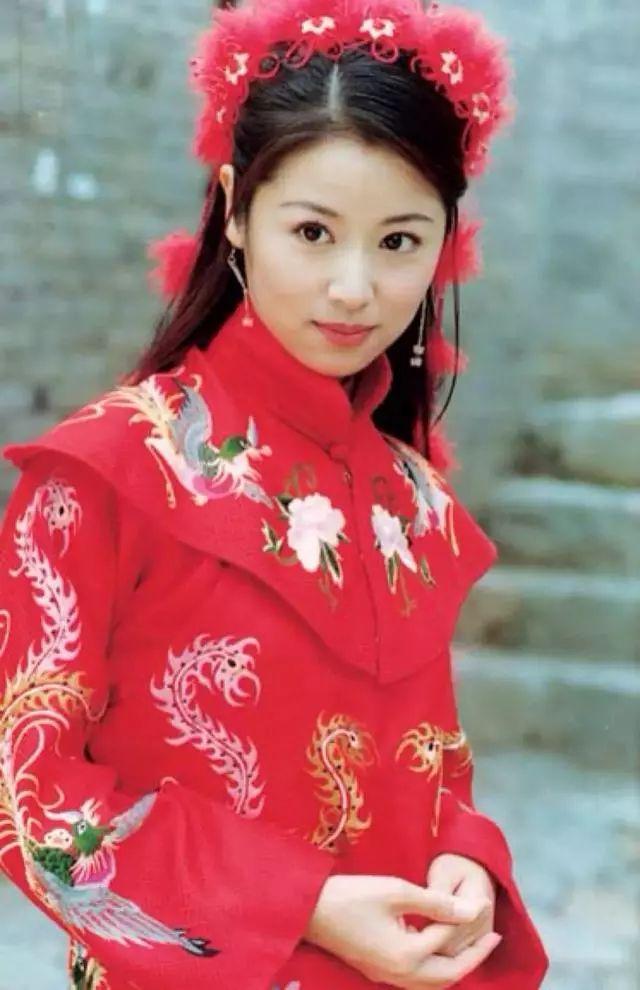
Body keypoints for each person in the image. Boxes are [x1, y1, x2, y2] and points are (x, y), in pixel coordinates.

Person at [0, 1, 549, 987]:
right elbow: (26, 790)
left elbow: (435, 764)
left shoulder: (414, 500)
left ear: (445, 243)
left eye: (399, 241)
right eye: (313, 231)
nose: (354, 288)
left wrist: (465, 859)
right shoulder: (108, 472)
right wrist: (307, 904)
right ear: (235, 212)